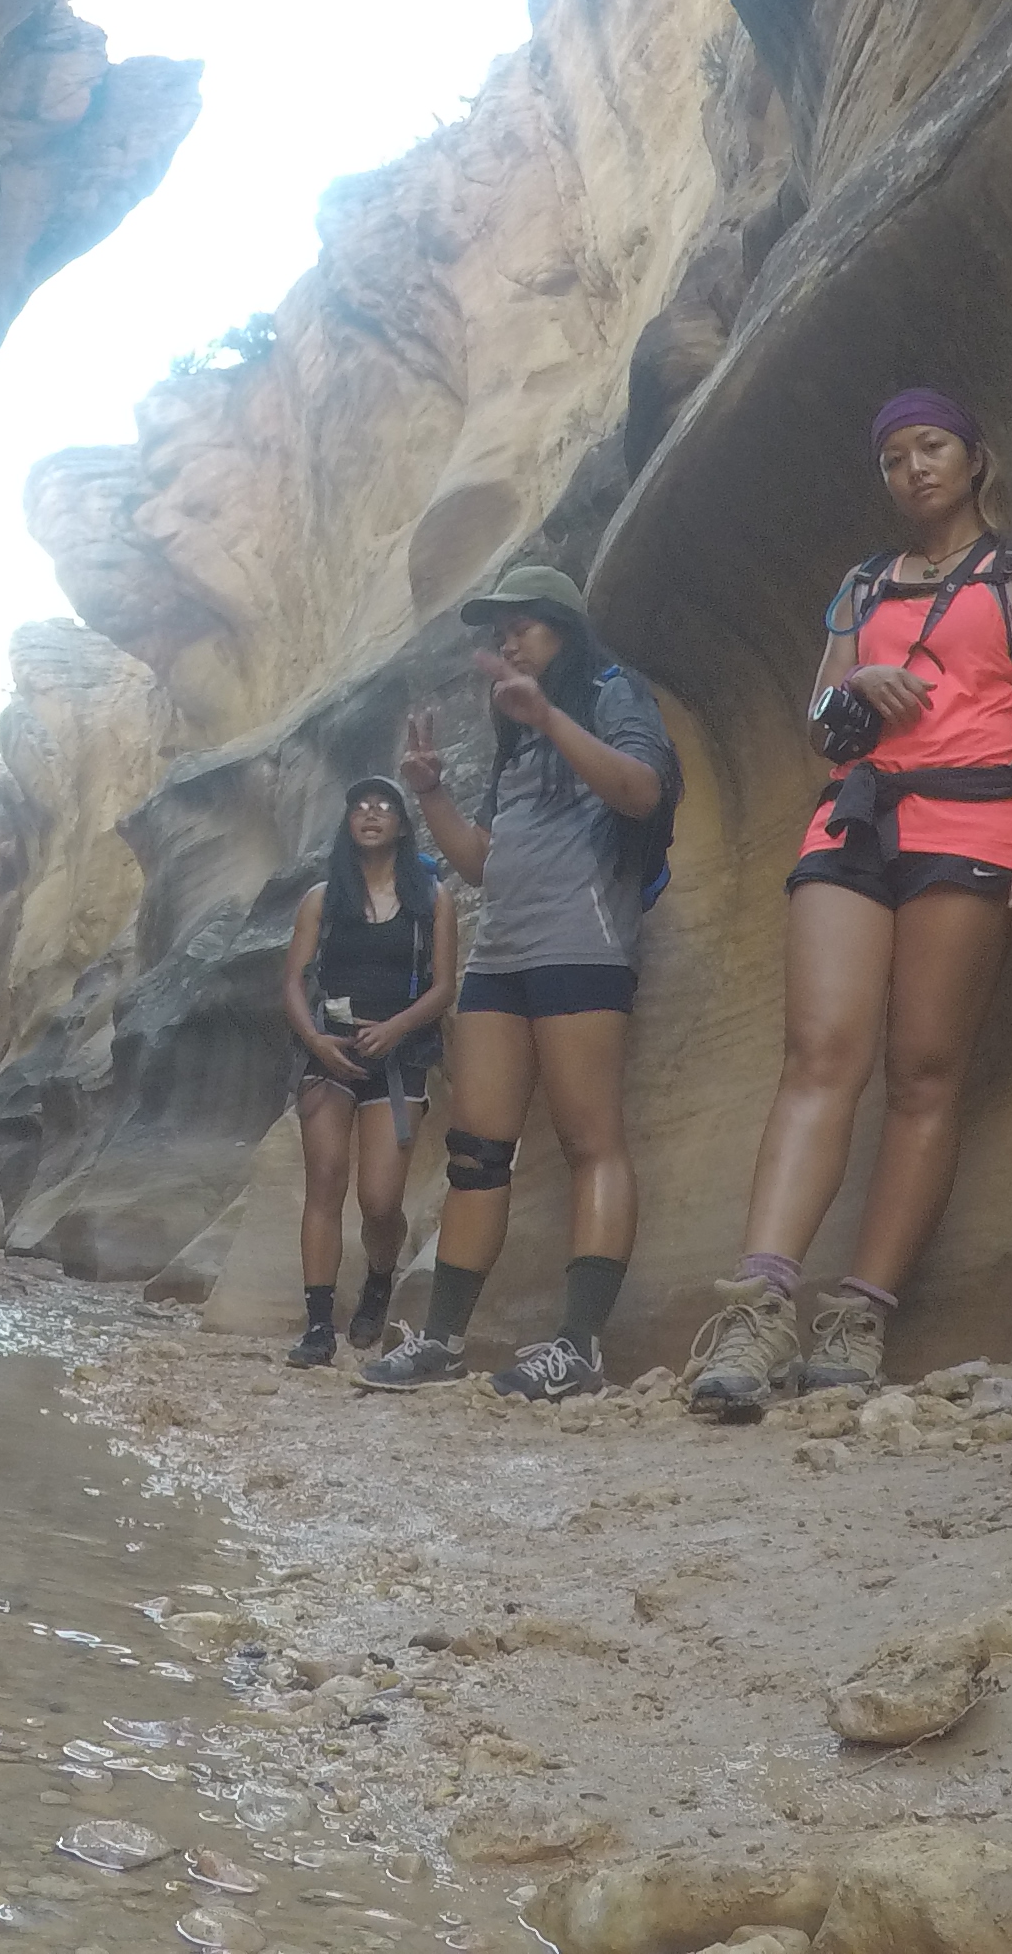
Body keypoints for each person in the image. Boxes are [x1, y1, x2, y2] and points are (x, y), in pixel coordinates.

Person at [685, 388, 1012, 1416]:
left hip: (979, 818)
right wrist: (858, 690)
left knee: (925, 1073)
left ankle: (858, 1315)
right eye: (894, 456)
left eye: (932, 446)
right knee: (819, 1056)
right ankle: (757, 1306)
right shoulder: (861, 584)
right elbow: (818, 719)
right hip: (856, 817)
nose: (914, 468)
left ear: (974, 457)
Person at [356, 565, 676, 1402]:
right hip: (503, 955)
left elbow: (640, 792)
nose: (507, 638)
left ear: (565, 627)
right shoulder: (519, 736)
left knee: (589, 1142)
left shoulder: (612, 691)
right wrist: (431, 794)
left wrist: (550, 716)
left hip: (584, 944)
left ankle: (580, 1348)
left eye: (523, 623)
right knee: (477, 1152)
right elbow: (480, 863)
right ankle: (442, 1341)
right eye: (499, 628)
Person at [275, 776, 461, 1366]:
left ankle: (379, 1278)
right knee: (325, 1183)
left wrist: (396, 1028)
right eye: (359, 806)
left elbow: (442, 987)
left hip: (398, 1060)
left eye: (383, 806)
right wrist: (315, 1042)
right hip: (329, 1055)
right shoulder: (322, 900)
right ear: (348, 825)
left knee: (380, 1201)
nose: (371, 813)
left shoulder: (432, 900)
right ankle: (318, 1325)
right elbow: (293, 982)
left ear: (402, 826)